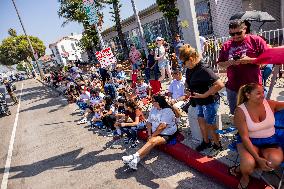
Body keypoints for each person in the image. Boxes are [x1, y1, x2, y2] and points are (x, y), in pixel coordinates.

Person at [232, 83, 284, 189]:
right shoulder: (240, 111)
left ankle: (241, 168)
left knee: (274, 161)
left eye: (263, 92)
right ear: (248, 95)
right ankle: (245, 176)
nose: (263, 95)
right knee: (248, 164)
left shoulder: (269, 104)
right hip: (249, 141)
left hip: (270, 141)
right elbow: (244, 137)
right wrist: (258, 158)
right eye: (258, 93)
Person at [179, 44, 224, 157]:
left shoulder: (203, 69)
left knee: (211, 124)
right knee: (201, 121)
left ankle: (218, 145)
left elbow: (219, 84)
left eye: (183, 63)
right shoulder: (191, 68)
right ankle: (206, 142)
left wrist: (205, 95)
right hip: (198, 101)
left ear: (191, 59)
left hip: (209, 101)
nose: (183, 66)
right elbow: (187, 81)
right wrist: (187, 89)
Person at [218, 19, 269, 115]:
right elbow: (220, 64)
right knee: (237, 115)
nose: (235, 36)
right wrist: (231, 62)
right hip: (233, 88)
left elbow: (267, 60)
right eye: (232, 34)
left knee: (257, 114)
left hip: (253, 87)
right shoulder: (226, 45)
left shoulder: (256, 40)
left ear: (245, 29)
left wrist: (250, 60)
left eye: (238, 33)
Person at [122, 95, 178, 170]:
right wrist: (149, 134)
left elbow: (162, 126)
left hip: (167, 132)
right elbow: (148, 122)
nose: (151, 102)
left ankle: (133, 156)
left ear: (158, 102)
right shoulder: (153, 109)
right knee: (150, 142)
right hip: (155, 131)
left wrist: (152, 136)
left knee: (152, 141)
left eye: (153, 101)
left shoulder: (167, 110)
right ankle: (135, 161)